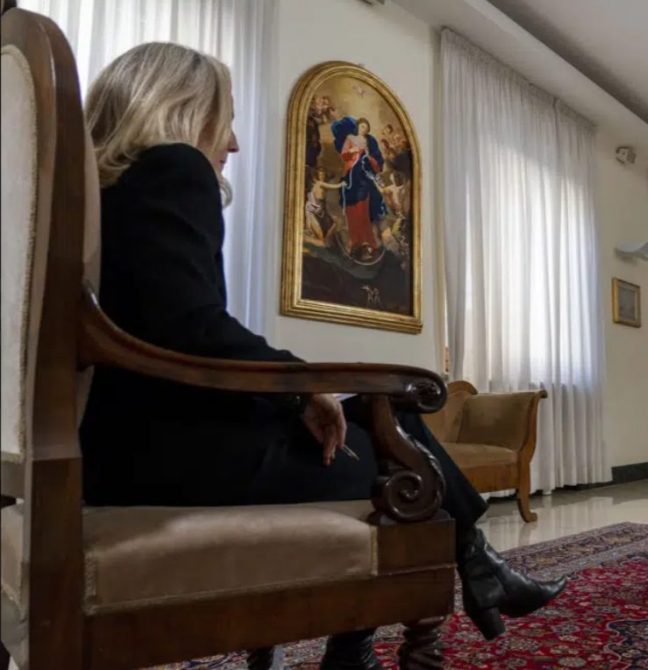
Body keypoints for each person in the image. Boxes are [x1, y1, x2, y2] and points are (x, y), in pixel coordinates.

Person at [79, 42, 565, 669]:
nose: (233, 144)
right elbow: (191, 328)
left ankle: (462, 576)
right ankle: (466, 572)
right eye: (226, 120)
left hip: (120, 443)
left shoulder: (97, 191)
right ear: (181, 108)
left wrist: (302, 391)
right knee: (405, 468)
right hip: (172, 456)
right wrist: (303, 386)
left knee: (385, 416)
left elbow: (166, 329)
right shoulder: (173, 167)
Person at [331, 116, 386, 258]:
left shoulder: (368, 141)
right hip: (352, 174)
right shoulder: (350, 138)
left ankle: (368, 242)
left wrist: (368, 158)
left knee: (364, 209)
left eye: (366, 127)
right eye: (362, 126)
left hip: (363, 176)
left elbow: (374, 161)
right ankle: (355, 242)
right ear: (358, 127)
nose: (364, 129)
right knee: (352, 210)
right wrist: (352, 151)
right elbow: (344, 155)